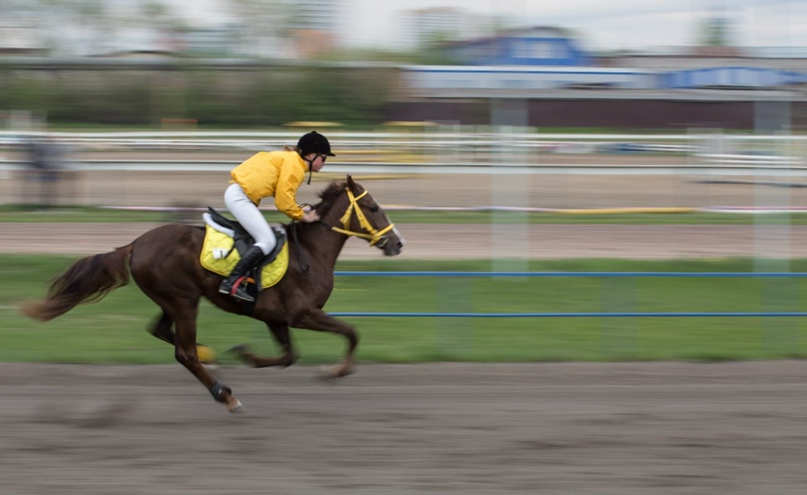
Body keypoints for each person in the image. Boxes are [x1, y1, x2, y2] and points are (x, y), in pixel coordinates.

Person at [218, 130, 335, 302]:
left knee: (263, 237)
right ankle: (231, 283)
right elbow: (283, 202)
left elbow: (285, 197)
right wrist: (304, 216)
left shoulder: (290, 160)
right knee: (267, 241)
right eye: (323, 158)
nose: (324, 163)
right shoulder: (295, 166)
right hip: (239, 197)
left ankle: (246, 278)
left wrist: (300, 210)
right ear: (311, 155)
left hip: (240, 196)